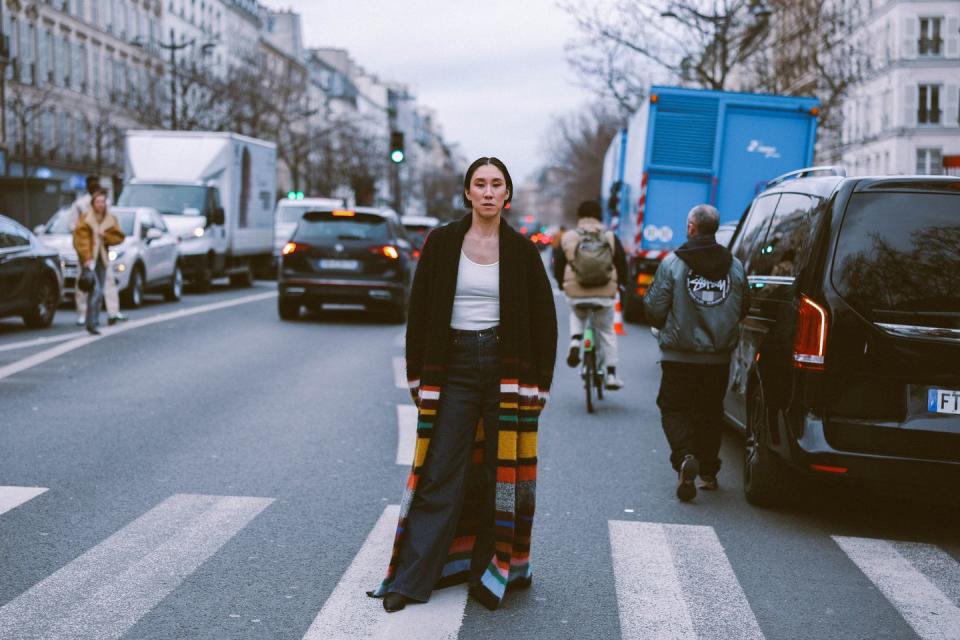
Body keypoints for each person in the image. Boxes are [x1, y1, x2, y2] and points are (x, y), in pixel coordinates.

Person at [369, 157, 557, 612]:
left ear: (506, 195)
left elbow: (543, 319)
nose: (489, 192)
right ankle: (413, 579)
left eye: (497, 184)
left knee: (502, 473)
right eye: (480, 184)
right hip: (453, 366)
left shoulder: (521, 250)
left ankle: (491, 571)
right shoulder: (443, 243)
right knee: (440, 471)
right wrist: (418, 375)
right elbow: (420, 311)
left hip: (505, 368)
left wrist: (541, 386)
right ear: (468, 193)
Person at [643, 204, 748, 502]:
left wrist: (663, 324)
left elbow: (653, 308)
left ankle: (685, 456)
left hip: (679, 354)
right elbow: (744, 307)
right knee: (710, 411)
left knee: (673, 406)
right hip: (717, 357)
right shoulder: (735, 266)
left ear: (691, 227)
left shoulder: (673, 264)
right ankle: (708, 473)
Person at [552, 200, 628, 390]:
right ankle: (611, 375)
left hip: (576, 291)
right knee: (607, 331)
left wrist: (562, 285)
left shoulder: (569, 236)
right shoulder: (609, 236)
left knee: (577, 313)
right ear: (599, 216)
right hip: (605, 292)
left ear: (579, 215)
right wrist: (622, 284)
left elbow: (558, 264)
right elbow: (622, 263)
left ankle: (576, 341)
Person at [68, 177, 126, 326]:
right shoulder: (81, 205)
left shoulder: (106, 206)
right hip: (88, 252)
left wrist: (105, 236)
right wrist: (86, 252)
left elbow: (116, 232)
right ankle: (85, 314)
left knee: (106, 282)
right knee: (86, 283)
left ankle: (110, 312)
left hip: (102, 253)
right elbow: (75, 228)